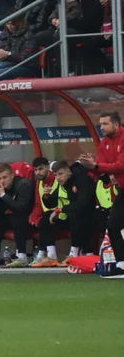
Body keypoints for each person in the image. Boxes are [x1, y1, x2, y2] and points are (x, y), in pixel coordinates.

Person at [78, 112, 124, 278]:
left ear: (116, 124)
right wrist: (90, 166)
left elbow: (120, 165)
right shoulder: (104, 143)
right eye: (100, 124)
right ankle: (121, 264)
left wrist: (96, 166)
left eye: (105, 124)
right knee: (112, 225)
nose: (102, 127)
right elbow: (99, 168)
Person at [32, 160, 95, 267]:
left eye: (60, 174)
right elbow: (51, 202)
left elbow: (82, 204)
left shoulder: (83, 180)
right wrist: (46, 196)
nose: (58, 178)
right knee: (46, 216)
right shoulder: (63, 184)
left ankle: (74, 255)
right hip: (70, 218)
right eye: (56, 175)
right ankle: (51, 256)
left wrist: (60, 210)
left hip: (90, 217)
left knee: (76, 215)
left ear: (69, 172)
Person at [0, 162, 34, 267]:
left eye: (5, 177)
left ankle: (22, 256)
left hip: (29, 217)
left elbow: (21, 208)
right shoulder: (3, 188)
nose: (2, 181)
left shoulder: (23, 185)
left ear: (12, 175)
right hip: (14, 216)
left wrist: (3, 195)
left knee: (19, 219)